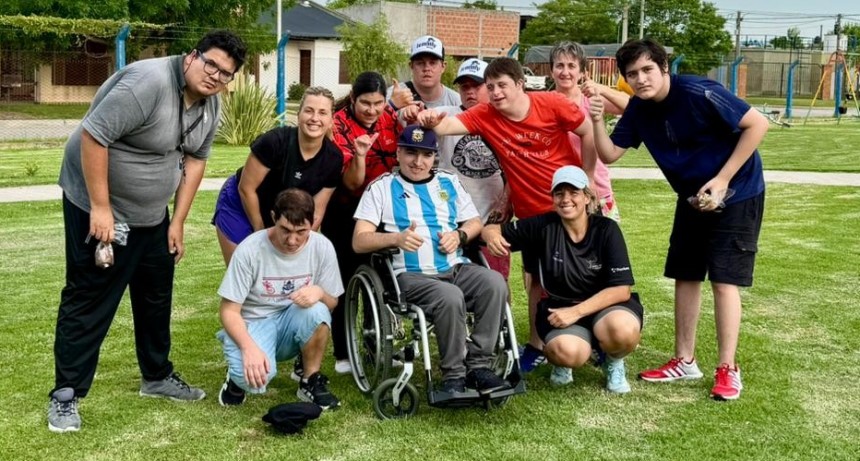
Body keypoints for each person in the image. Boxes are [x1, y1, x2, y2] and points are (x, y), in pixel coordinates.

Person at [48, 30, 247, 432]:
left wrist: (177, 221)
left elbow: (194, 162)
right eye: (211, 64)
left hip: (152, 215)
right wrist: (101, 209)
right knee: (91, 296)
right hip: (100, 206)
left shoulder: (211, 105)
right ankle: (66, 395)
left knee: (156, 293)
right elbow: (93, 136)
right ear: (193, 57)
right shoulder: (148, 83)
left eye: (226, 74)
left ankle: (156, 377)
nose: (215, 77)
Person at [589, 38, 769, 401]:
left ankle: (727, 368)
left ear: (664, 68)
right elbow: (609, 154)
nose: (640, 79)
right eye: (632, 74)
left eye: (647, 70)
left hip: (738, 191)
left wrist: (722, 179)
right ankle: (684, 361)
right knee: (685, 276)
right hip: (690, 197)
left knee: (723, 279)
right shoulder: (638, 109)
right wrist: (595, 120)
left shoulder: (699, 91)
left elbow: (758, 124)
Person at [416, 57, 598, 374]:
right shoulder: (485, 115)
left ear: (519, 83)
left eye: (502, 85)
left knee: (587, 276)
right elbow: (446, 126)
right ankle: (538, 345)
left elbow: (588, 131)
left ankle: (596, 343)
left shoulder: (552, 103)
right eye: (491, 87)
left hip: (570, 206)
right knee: (538, 281)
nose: (496, 93)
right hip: (531, 213)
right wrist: (430, 118)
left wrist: (588, 177)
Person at [352, 125, 510, 394]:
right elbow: (359, 240)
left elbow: (473, 221)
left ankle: (479, 366)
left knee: (495, 284)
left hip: (455, 266)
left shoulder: (448, 181)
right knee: (449, 296)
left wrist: (460, 235)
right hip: (409, 275)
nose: (418, 161)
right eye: (411, 153)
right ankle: (454, 375)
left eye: (425, 155)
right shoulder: (381, 187)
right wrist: (395, 239)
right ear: (399, 153)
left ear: (434, 157)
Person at [482, 166, 643, 393]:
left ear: (587, 197)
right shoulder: (542, 226)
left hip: (606, 307)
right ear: (553, 198)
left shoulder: (607, 229)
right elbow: (491, 229)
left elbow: (621, 291)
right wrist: (491, 235)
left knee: (623, 331)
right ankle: (566, 362)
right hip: (560, 308)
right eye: (559, 193)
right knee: (567, 352)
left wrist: (575, 312)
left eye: (574, 192)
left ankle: (613, 360)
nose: (566, 199)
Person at [216, 189, 343, 410]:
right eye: (285, 229)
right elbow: (228, 310)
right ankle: (235, 378)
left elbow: (332, 303)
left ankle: (309, 380)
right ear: (274, 217)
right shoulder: (250, 249)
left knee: (319, 310)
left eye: (301, 231)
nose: (292, 240)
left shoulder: (322, 246)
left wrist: (320, 293)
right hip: (254, 323)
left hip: (291, 320)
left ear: (313, 222)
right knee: (253, 380)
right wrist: (248, 348)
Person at [321, 71, 402, 376]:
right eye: (365, 103)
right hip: (345, 210)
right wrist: (359, 155)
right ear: (353, 98)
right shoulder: (339, 124)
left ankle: (376, 344)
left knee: (380, 280)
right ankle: (343, 351)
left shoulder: (390, 116)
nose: (372, 110)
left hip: (382, 210)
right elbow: (352, 184)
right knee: (343, 281)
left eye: (378, 103)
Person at [212, 86, 342, 264]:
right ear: (298, 115)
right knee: (244, 275)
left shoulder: (333, 158)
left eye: (322, 113)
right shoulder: (274, 142)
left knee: (278, 274)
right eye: (309, 111)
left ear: (331, 120)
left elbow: (317, 211)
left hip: (282, 217)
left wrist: (299, 240)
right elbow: (246, 188)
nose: (314, 118)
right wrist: (261, 234)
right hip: (241, 204)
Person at [435, 58, 511, 279]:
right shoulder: (448, 114)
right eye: (464, 87)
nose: (470, 92)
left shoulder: (504, 118)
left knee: (497, 281)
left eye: (476, 86)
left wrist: (506, 203)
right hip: (453, 220)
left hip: (491, 220)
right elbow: (417, 118)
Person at [551, 41, 629, 223]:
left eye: (572, 66)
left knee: (604, 245)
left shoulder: (591, 99)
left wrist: (602, 89)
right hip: (559, 191)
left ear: (582, 72)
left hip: (596, 187)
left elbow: (633, 107)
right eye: (559, 66)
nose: (565, 72)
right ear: (551, 70)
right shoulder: (543, 104)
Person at [388, 35, 461, 113]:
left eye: (432, 63)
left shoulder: (456, 101)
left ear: (443, 67)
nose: (426, 68)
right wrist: (392, 105)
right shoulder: (395, 95)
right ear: (411, 66)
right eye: (420, 63)